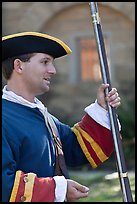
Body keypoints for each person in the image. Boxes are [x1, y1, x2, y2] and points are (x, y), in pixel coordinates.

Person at [2, 31, 121, 202]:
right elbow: (5, 185)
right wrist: (58, 189)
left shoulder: (43, 116)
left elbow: (75, 148)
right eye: (45, 62)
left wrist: (102, 108)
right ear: (19, 66)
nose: (53, 70)